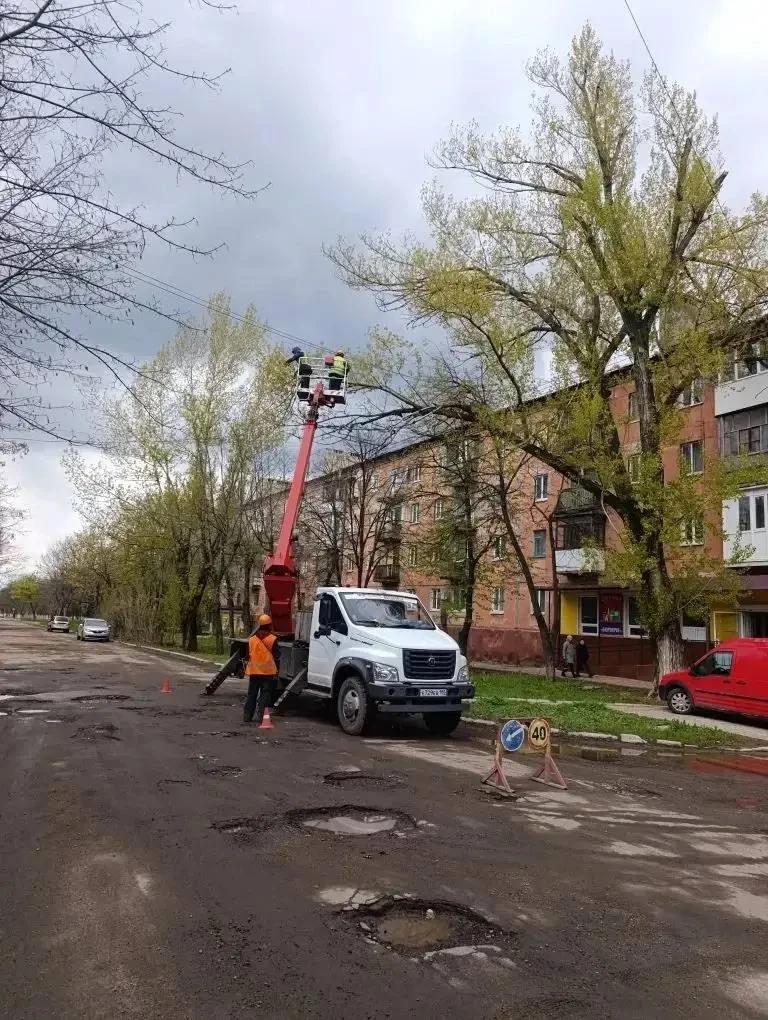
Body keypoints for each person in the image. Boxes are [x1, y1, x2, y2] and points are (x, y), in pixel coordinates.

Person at [243, 614, 279, 725]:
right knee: (265, 694)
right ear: (269, 625)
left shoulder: (252, 639)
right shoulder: (273, 639)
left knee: (251, 694)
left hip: (254, 671)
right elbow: (277, 655)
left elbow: (247, 655)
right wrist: (277, 669)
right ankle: (261, 717)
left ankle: (247, 716)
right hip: (267, 672)